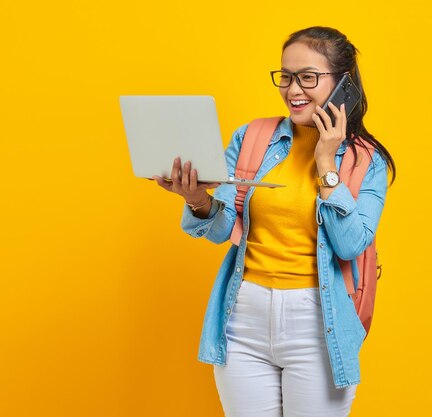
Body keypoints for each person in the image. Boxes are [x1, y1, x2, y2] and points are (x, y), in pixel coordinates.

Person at [153, 26, 395, 417]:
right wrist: (197, 199)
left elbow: (351, 245)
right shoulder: (253, 137)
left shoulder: (366, 162)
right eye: (286, 76)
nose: (292, 89)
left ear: (342, 85)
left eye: (308, 78)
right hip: (243, 318)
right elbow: (221, 230)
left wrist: (325, 163)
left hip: (318, 323)